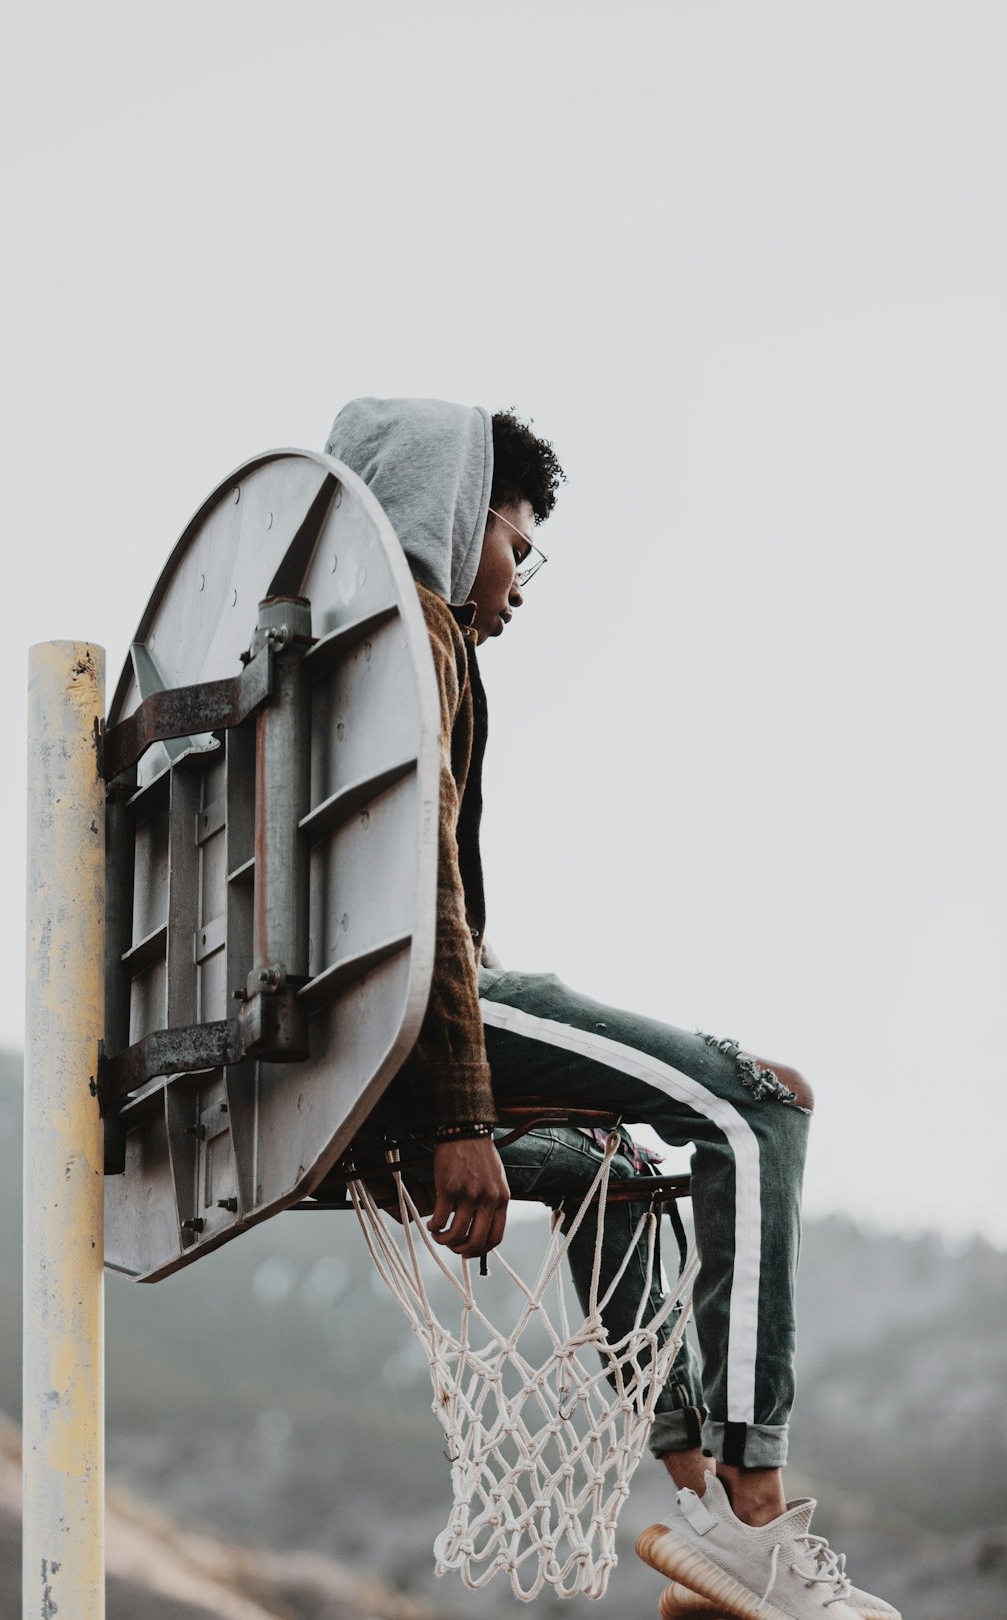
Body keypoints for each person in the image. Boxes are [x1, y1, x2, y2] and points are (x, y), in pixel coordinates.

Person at [324, 397, 900, 1620]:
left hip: (369, 1013)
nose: (522, 583)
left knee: (604, 1166)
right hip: (423, 997)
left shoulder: (335, 645)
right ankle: (754, 1509)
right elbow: (419, 872)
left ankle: (695, 1504)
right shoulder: (414, 629)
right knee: (762, 1105)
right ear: (450, 512)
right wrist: (465, 1114)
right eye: (516, 547)